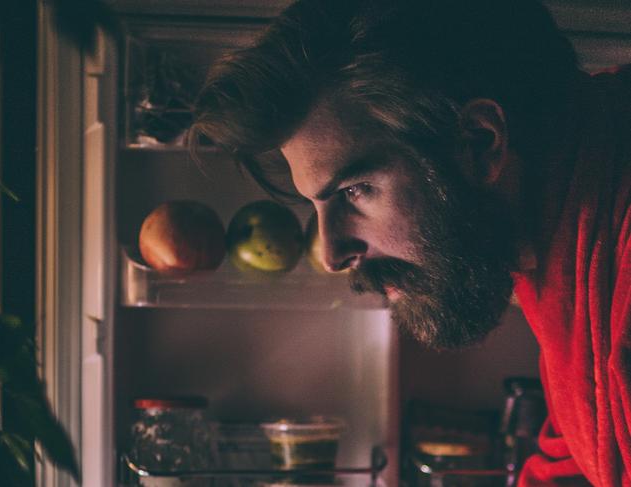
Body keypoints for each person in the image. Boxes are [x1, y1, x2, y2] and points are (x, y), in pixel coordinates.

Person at [188, 0, 631, 485]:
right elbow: (574, 450)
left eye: (354, 190)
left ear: (480, 144)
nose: (333, 255)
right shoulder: (552, 224)